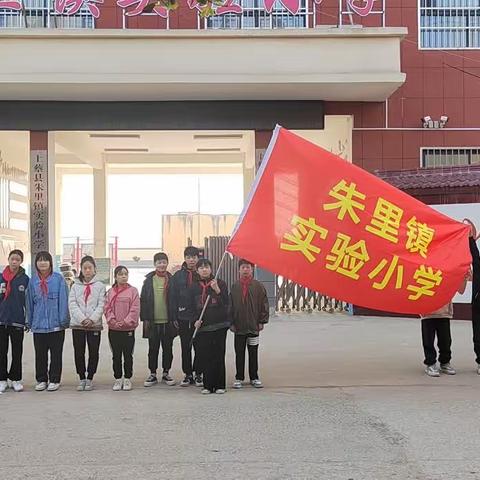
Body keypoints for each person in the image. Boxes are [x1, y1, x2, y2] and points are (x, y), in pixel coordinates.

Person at [26, 251, 69, 392]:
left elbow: (63, 301)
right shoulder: (33, 281)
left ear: (50, 263)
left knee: (56, 354)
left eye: (45, 260)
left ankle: (55, 379)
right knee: (40, 354)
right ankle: (41, 379)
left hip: (56, 325)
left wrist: (63, 320)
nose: (42, 263)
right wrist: (30, 321)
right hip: (39, 325)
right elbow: (29, 303)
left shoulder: (58, 280)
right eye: (40, 260)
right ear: (36, 263)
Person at [188, 258, 230, 394]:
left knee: (218, 355)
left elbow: (226, 303)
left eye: (207, 267)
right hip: (203, 327)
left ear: (211, 269)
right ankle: (207, 385)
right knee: (206, 355)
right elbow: (190, 308)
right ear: (197, 270)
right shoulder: (194, 286)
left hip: (219, 325)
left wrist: (217, 290)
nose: (204, 270)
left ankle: (220, 385)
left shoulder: (220, 283)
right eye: (201, 268)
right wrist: (195, 320)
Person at [230, 259, 269, 389]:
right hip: (239, 327)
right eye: (243, 267)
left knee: (253, 352)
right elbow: (230, 306)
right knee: (239, 353)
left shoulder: (258, 286)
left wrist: (262, 321)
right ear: (239, 270)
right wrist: (231, 322)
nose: (245, 270)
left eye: (248, 267)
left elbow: (264, 304)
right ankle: (239, 377)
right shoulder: (235, 286)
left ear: (252, 269)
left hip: (253, 327)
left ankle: (254, 377)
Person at [69, 256, 106, 391]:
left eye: (90, 267)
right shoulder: (75, 286)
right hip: (78, 324)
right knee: (79, 351)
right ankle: (81, 378)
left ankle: (90, 377)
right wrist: (82, 319)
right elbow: (72, 304)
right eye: (85, 268)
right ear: (81, 270)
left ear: (95, 269)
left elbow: (101, 304)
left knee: (93, 352)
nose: (87, 270)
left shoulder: (100, 286)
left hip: (94, 325)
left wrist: (92, 319)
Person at [140, 252, 177, 387]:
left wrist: (175, 318)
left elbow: (176, 300)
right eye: (159, 262)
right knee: (153, 348)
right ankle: (153, 373)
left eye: (164, 262)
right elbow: (143, 300)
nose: (162, 265)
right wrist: (145, 319)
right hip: (153, 321)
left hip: (168, 320)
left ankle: (166, 372)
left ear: (167, 263)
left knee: (168, 348)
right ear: (154, 264)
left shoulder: (172, 280)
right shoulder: (148, 280)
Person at [421, 272, 468, 377]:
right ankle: (430, 363)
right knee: (428, 341)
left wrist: (464, 277)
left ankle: (445, 362)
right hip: (427, 311)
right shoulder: (424, 268)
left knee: (445, 340)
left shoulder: (449, 270)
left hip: (444, 311)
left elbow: (461, 290)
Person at [169, 246, 203, 387]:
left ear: (198, 258)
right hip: (182, 317)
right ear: (185, 258)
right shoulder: (178, 276)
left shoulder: (202, 274)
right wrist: (174, 316)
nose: (191, 260)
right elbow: (172, 297)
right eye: (188, 257)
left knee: (200, 346)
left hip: (199, 318)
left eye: (194, 257)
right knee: (185, 347)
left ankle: (199, 373)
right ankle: (188, 374)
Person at [104, 266, 140, 391]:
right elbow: (107, 308)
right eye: (120, 274)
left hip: (128, 329)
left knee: (128, 355)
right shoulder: (110, 292)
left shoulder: (133, 291)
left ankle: (128, 378)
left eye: (125, 274)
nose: (123, 276)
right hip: (113, 329)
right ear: (115, 277)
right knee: (116, 355)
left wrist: (125, 322)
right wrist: (113, 321)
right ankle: (118, 378)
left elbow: (135, 309)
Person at [0, 250, 29, 393]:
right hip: (1, 321)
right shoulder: (1, 278)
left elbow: (28, 302)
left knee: (17, 351)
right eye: (12, 259)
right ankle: (2, 379)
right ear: (8, 259)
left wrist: (28, 319)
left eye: (17, 259)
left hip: (17, 321)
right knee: (1, 352)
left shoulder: (25, 279)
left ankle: (16, 379)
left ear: (21, 261)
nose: (14, 262)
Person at [465, 218, 480, 373]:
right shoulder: (478, 264)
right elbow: (474, 253)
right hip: (478, 302)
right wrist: (469, 238)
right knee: (478, 333)